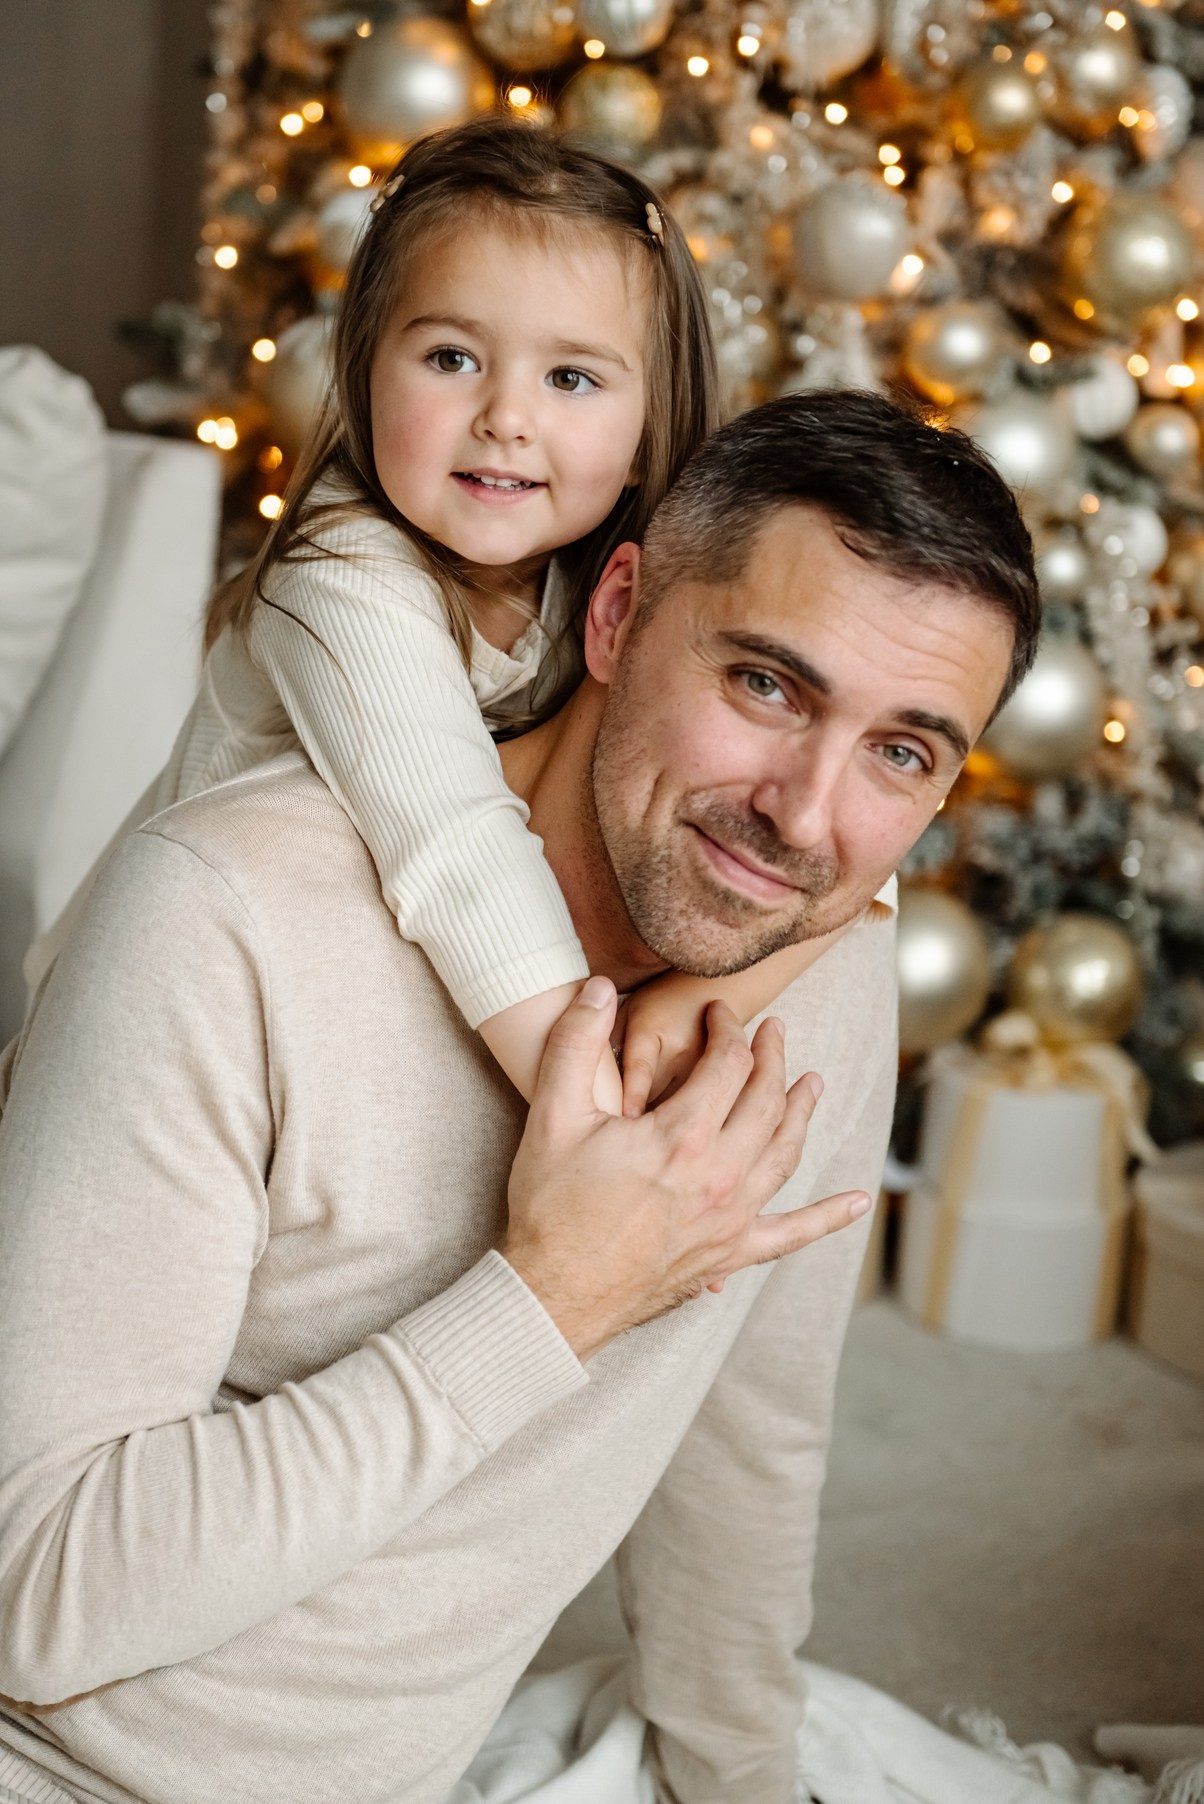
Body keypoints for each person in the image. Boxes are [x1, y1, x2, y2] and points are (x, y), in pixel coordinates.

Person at [0, 391, 1040, 1804]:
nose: (804, 815)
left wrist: (739, 1779)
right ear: (615, 615)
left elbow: (745, 1445)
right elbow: (34, 1593)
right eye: (767, 687)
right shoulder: (227, 918)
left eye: (902, 752)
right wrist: (551, 1299)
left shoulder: (823, 971)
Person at [25, 117, 841, 1118]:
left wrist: (704, 993)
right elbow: (456, 851)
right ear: (367, 374)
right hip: (147, 1043)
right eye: (452, 358)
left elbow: (859, 848)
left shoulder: (624, 582)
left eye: (571, 378)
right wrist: (593, 1115)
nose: (505, 415)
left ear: (643, 434)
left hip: (356, 1002)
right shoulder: (340, 569)